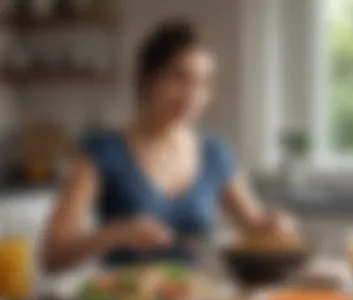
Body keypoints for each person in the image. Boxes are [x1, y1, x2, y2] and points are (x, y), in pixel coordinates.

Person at [43, 20, 296, 271]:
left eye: (203, 83)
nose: (192, 96)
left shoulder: (215, 155)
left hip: (195, 299)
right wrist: (117, 233)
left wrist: (273, 225)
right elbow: (52, 255)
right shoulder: (100, 151)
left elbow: (254, 225)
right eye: (179, 78)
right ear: (147, 78)